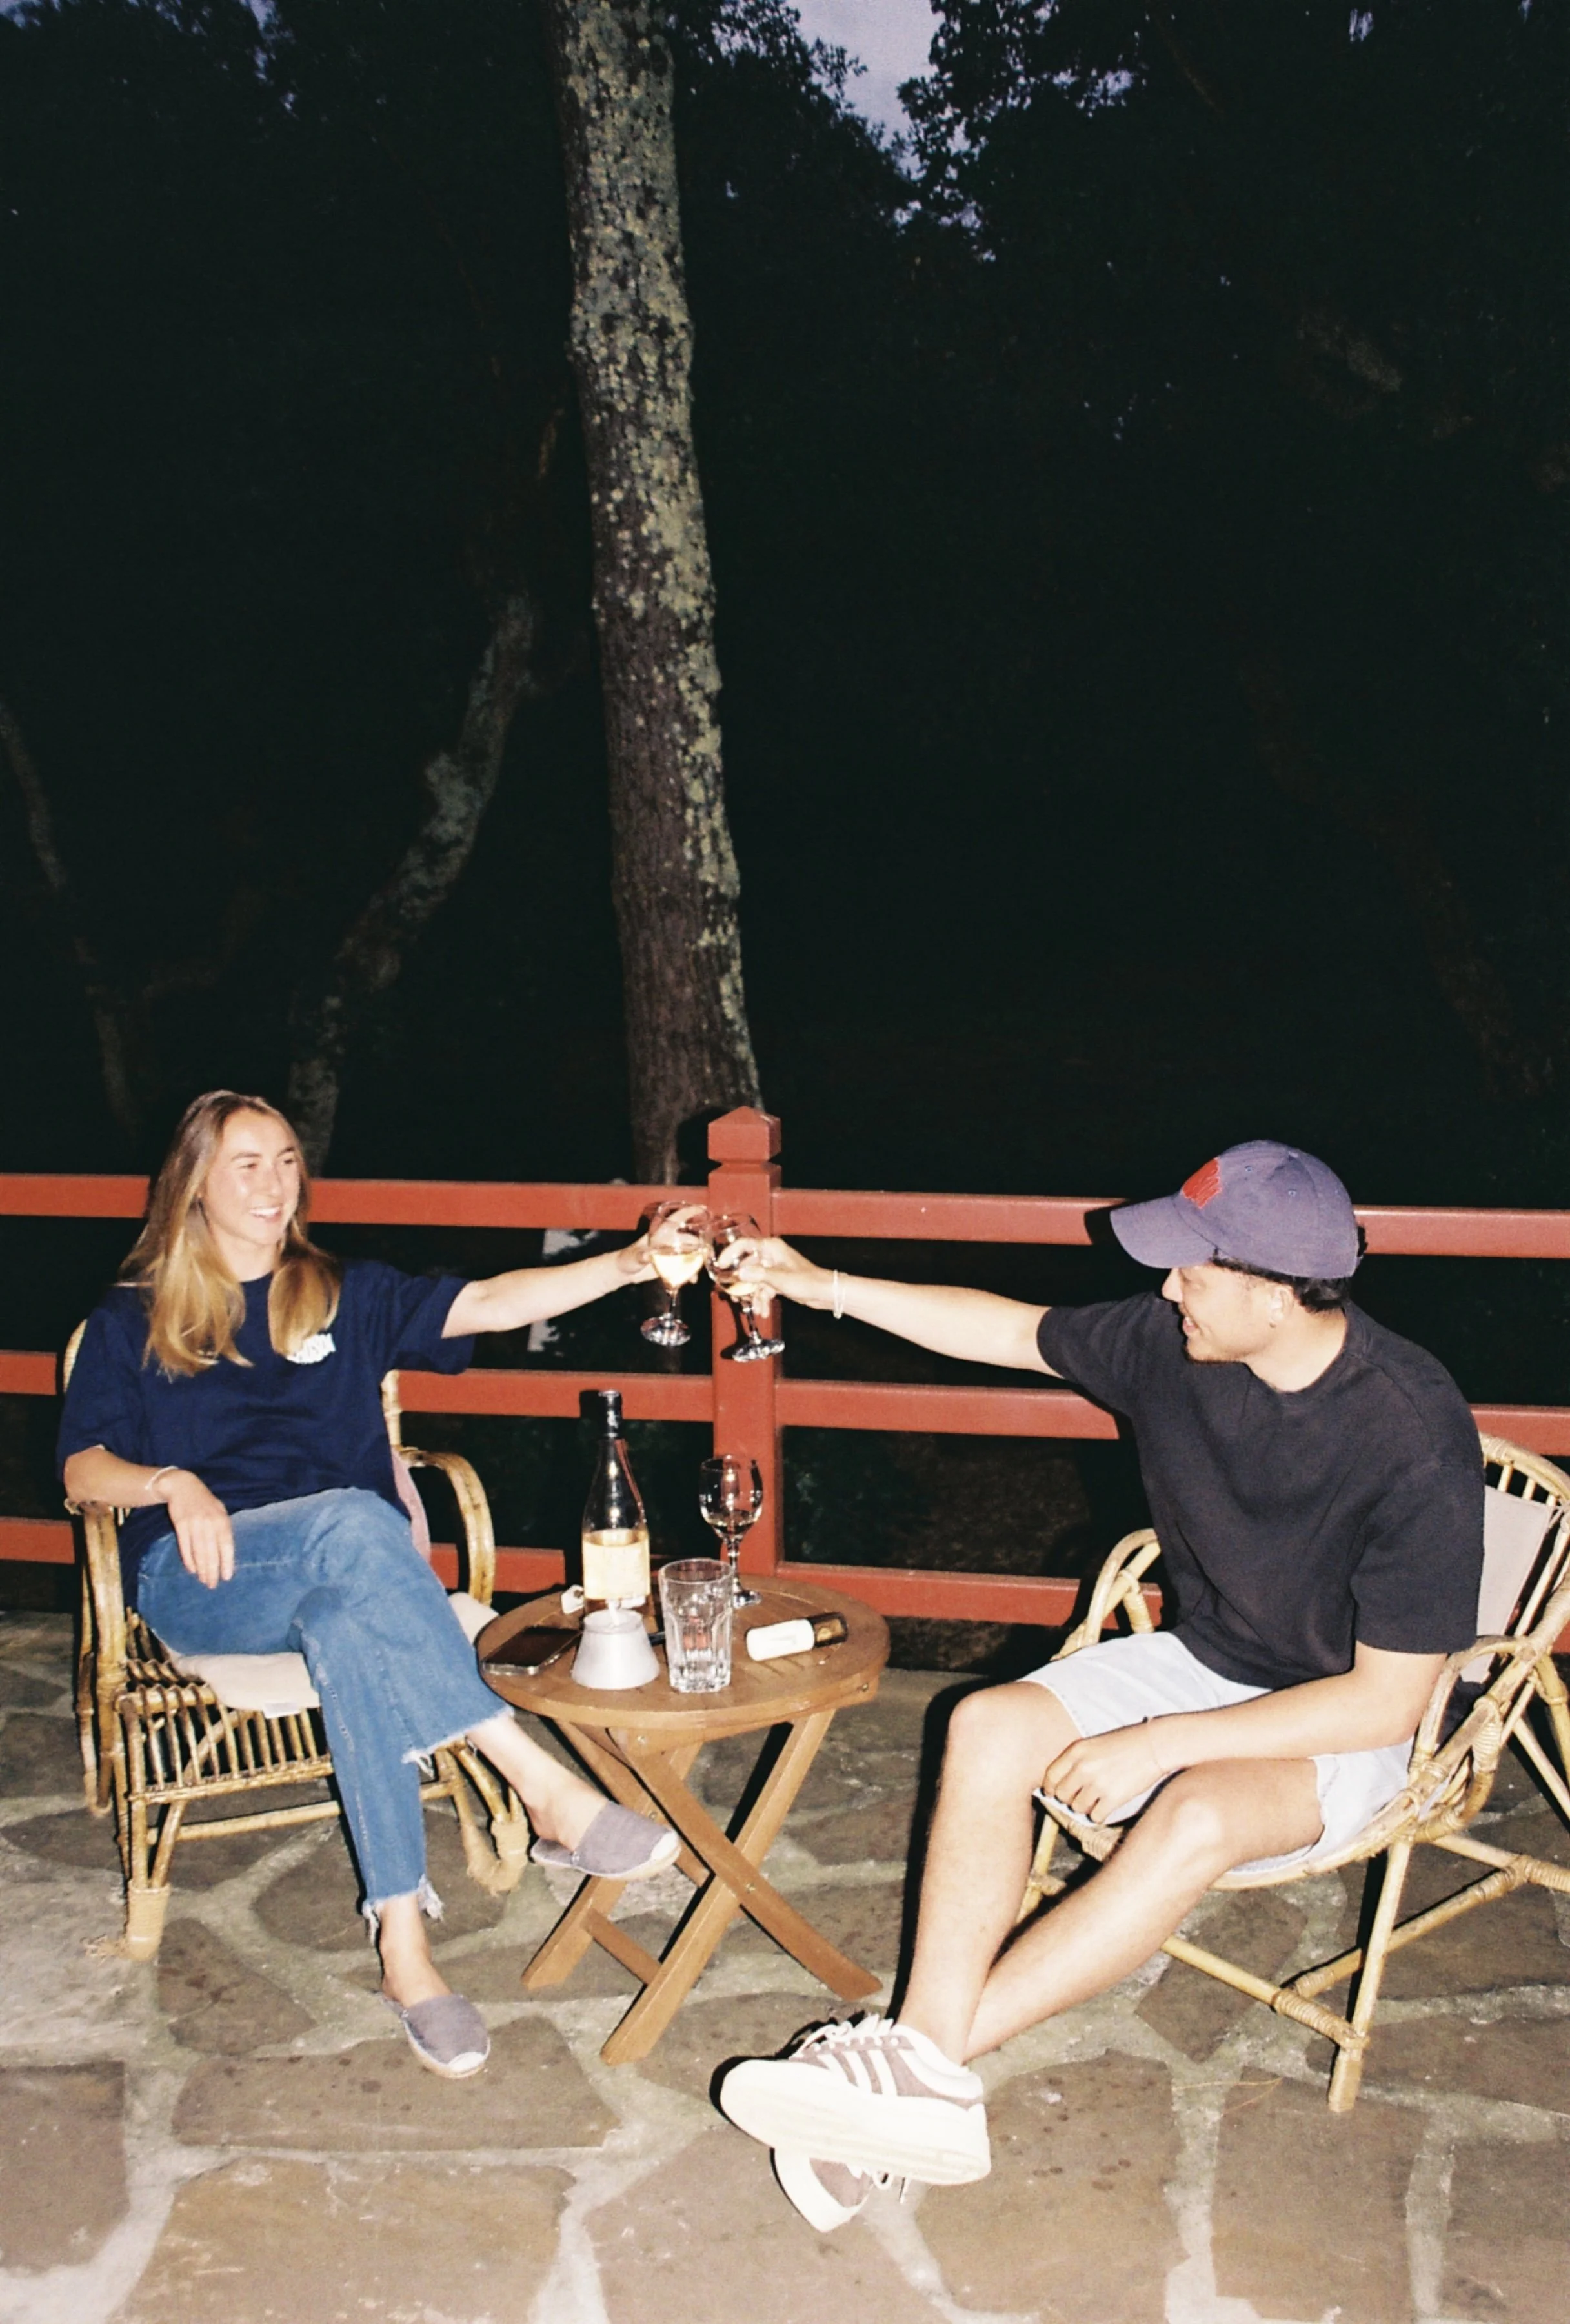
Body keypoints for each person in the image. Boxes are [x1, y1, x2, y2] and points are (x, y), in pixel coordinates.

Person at [717, 1140, 1483, 2228]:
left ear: (1274, 1296)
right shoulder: (1177, 1345)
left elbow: (1389, 1702)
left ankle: (902, 2068)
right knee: (987, 1723)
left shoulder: (1412, 1432)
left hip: (1349, 1720)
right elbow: (1001, 1326)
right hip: (1211, 1656)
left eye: (1194, 1271)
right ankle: (917, 2086)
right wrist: (816, 1284)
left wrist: (1163, 1739)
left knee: (1196, 1807)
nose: (1168, 1288)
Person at [59, 1089, 680, 2080]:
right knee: (358, 1515)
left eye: (288, 1160)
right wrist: (171, 1485)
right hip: (203, 1578)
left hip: (344, 1580)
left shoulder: (339, 1292)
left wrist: (630, 1263)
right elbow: (81, 1469)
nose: (275, 1185)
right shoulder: (136, 1315)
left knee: (348, 1615)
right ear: (196, 1186)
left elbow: (487, 1302)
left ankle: (404, 1950)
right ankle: (542, 1782)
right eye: (247, 1165)